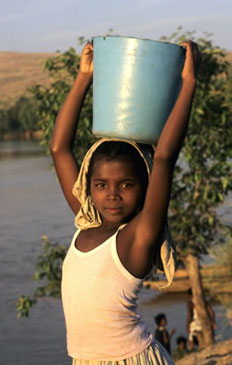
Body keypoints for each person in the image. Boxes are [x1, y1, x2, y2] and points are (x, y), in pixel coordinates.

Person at [50, 40, 200, 365]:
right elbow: (59, 149)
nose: (112, 194)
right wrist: (83, 78)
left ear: (146, 188)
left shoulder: (136, 237)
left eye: (126, 185)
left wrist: (188, 84)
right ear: (88, 187)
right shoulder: (86, 223)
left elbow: (163, 158)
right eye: (101, 185)